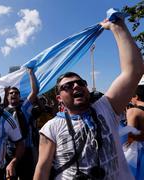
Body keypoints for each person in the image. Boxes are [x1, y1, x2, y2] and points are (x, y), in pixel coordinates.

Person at [34, 17, 143, 180]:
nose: (76, 86)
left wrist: (118, 27)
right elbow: (42, 170)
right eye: (67, 86)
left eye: (80, 83)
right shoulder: (50, 128)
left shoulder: (106, 108)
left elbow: (133, 71)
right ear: (59, 98)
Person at [3, 67, 38, 180]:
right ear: (8, 97)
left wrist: (31, 73)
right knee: (10, 176)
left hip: (26, 150)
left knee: (26, 176)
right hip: (10, 151)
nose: (13, 94)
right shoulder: (3, 112)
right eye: (11, 93)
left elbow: (34, 92)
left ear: (19, 96)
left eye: (16, 93)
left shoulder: (25, 108)